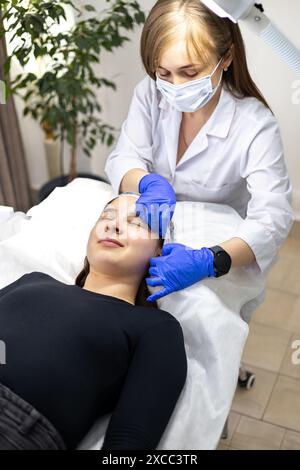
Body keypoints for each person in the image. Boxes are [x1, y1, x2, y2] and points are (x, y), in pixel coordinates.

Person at [104, 0, 295, 302]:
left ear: (227, 58)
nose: (174, 85)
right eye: (163, 73)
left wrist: (211, 260)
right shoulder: (150, 93)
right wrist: (146, 181)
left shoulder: (255, 124)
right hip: (152, 230)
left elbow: (273, 217)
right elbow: (125, 157)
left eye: (189, 73)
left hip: (216, 244)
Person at [0, 194, 187, 450]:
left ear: (160, 251)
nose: (113, 225)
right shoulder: (33, 280)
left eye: (137, 223)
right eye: (106, 216)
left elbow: (130, 442)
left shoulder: (155, 327)